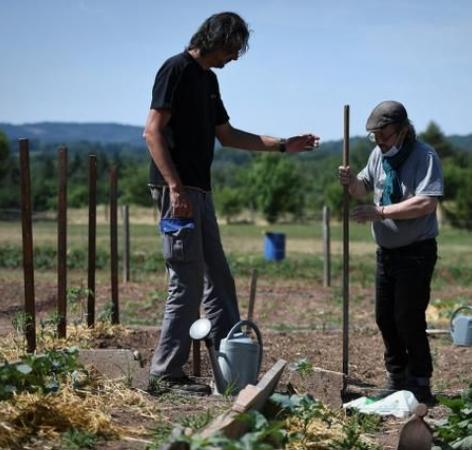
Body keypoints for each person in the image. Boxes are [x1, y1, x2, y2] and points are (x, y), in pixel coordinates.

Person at [143, 12, 319, 396]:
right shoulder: (175, 69)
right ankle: (165, 374)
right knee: (186, 282)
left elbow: (227, 135)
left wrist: (283, 145)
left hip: (199, 192)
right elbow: (152, 131)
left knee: (219, 279)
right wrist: (175, 188)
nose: (235, 57)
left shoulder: (208, 80)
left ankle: (229, 366)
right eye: (232, 49)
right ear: (215, 39)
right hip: (178, 191)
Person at [338, 101, 443, 404]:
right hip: (386, 252)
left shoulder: (425, 156)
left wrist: (380, 212)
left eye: (385, 136)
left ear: (404, 131)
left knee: (408, 317)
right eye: (375, 137)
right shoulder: (377, 155)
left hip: (417, 251)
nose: (380, 142)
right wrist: (350, 182)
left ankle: (420, 382)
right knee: (384, 317)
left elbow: (426, 202)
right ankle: (397, 377)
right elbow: (362, 187)